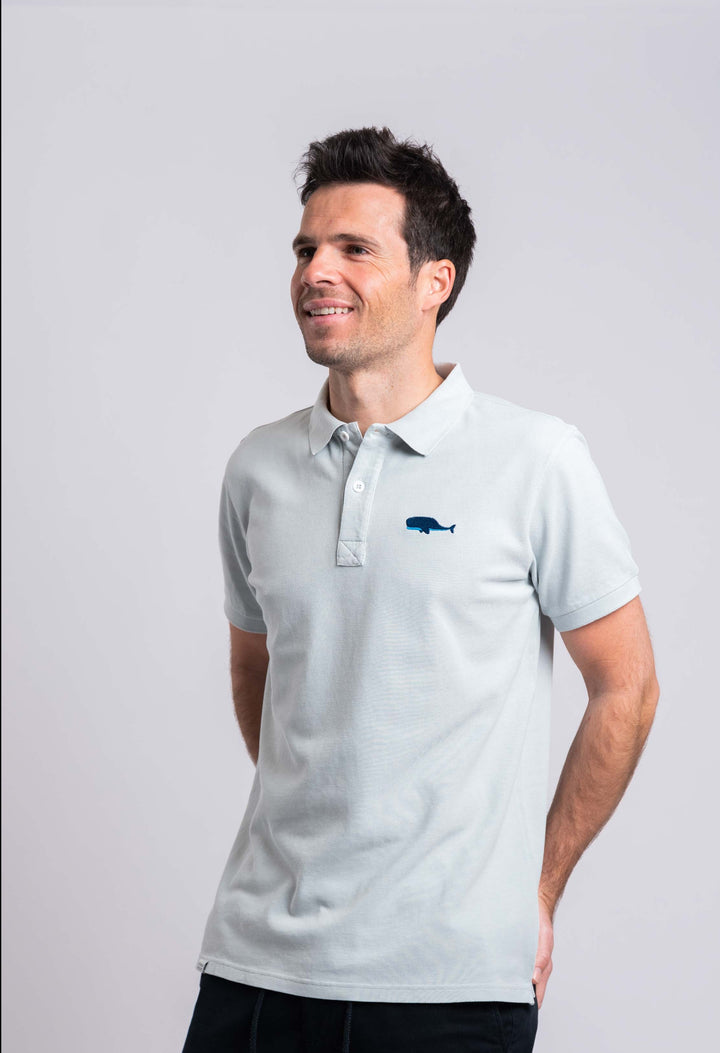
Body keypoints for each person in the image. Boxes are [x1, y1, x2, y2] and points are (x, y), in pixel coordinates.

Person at [181, 127, 660, 1053]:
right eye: (305, 249)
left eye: (353, 248)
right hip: (254, 968)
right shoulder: (258, 468)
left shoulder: (535, 458)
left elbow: (628, 687)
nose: (316, 271)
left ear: (435, 280)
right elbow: (256, 667)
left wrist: (540, 887)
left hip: (451, 983)